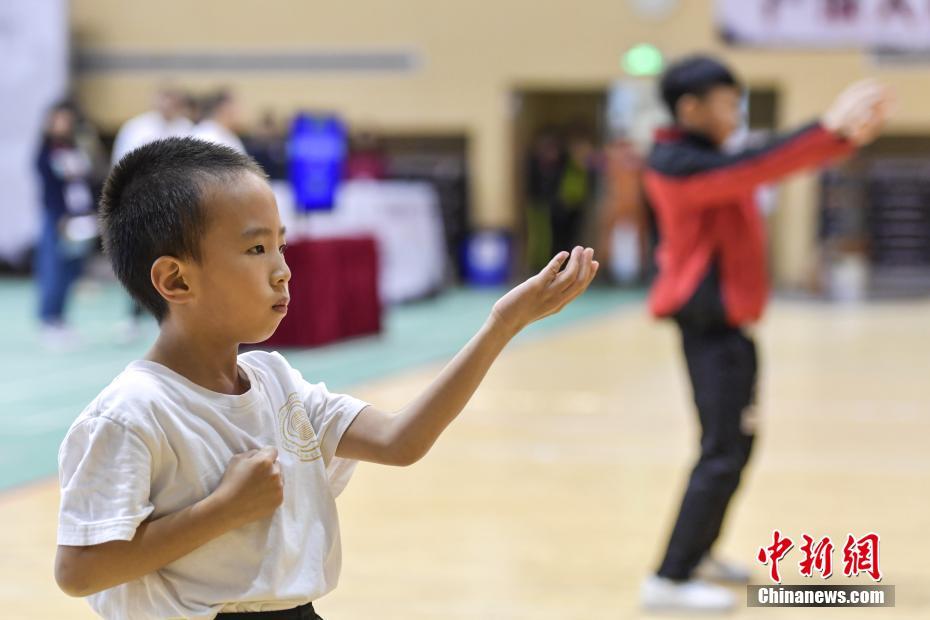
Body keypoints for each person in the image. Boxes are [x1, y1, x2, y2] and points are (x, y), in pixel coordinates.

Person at [54, 137, 598, 619]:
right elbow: (80, 571)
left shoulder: (276, 380)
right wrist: (221, 511)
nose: (282, 269)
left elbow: (399, 440)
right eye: (255, 248)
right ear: (175, 279)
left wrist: (503, 325)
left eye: (280, 245)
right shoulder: (132, 412)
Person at [639, 55, 891, 612]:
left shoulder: (708, 157)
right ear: (691, 108)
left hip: (733, 330)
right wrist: (830, 131)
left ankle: (698, 553)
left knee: (737, 445)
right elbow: (759, 164)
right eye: (729, 103)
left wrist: (840, 142)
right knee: (721, 451)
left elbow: (759, 161)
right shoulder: (676, 163)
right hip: (709, 329)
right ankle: (669, 578)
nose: (737, 114)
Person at [111, 85, 194, 339]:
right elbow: (120, 165)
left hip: (176, 206)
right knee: (139, 260)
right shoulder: (137, 129)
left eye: (172, 101)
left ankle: (169, 314)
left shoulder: (187, 129)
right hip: (141, 204)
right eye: (163, 100)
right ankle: (133, 316)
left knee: (174, 260)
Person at [34, 100, 98, 350]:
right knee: (54, 269)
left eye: (67, 120)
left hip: (80, 217)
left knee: (73, 270)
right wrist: (59, 215)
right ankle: (48, 320)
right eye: (58, 120)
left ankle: (62, 319)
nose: (63, 124)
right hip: (58, 217)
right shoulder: (45, 152)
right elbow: (50, 188)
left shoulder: (78, 149)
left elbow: (88, 181)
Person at [192, 89, 247, 153]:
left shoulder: (227, 133)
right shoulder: (205, 134)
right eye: (235, 106)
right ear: (224, 108)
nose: (239, 111)